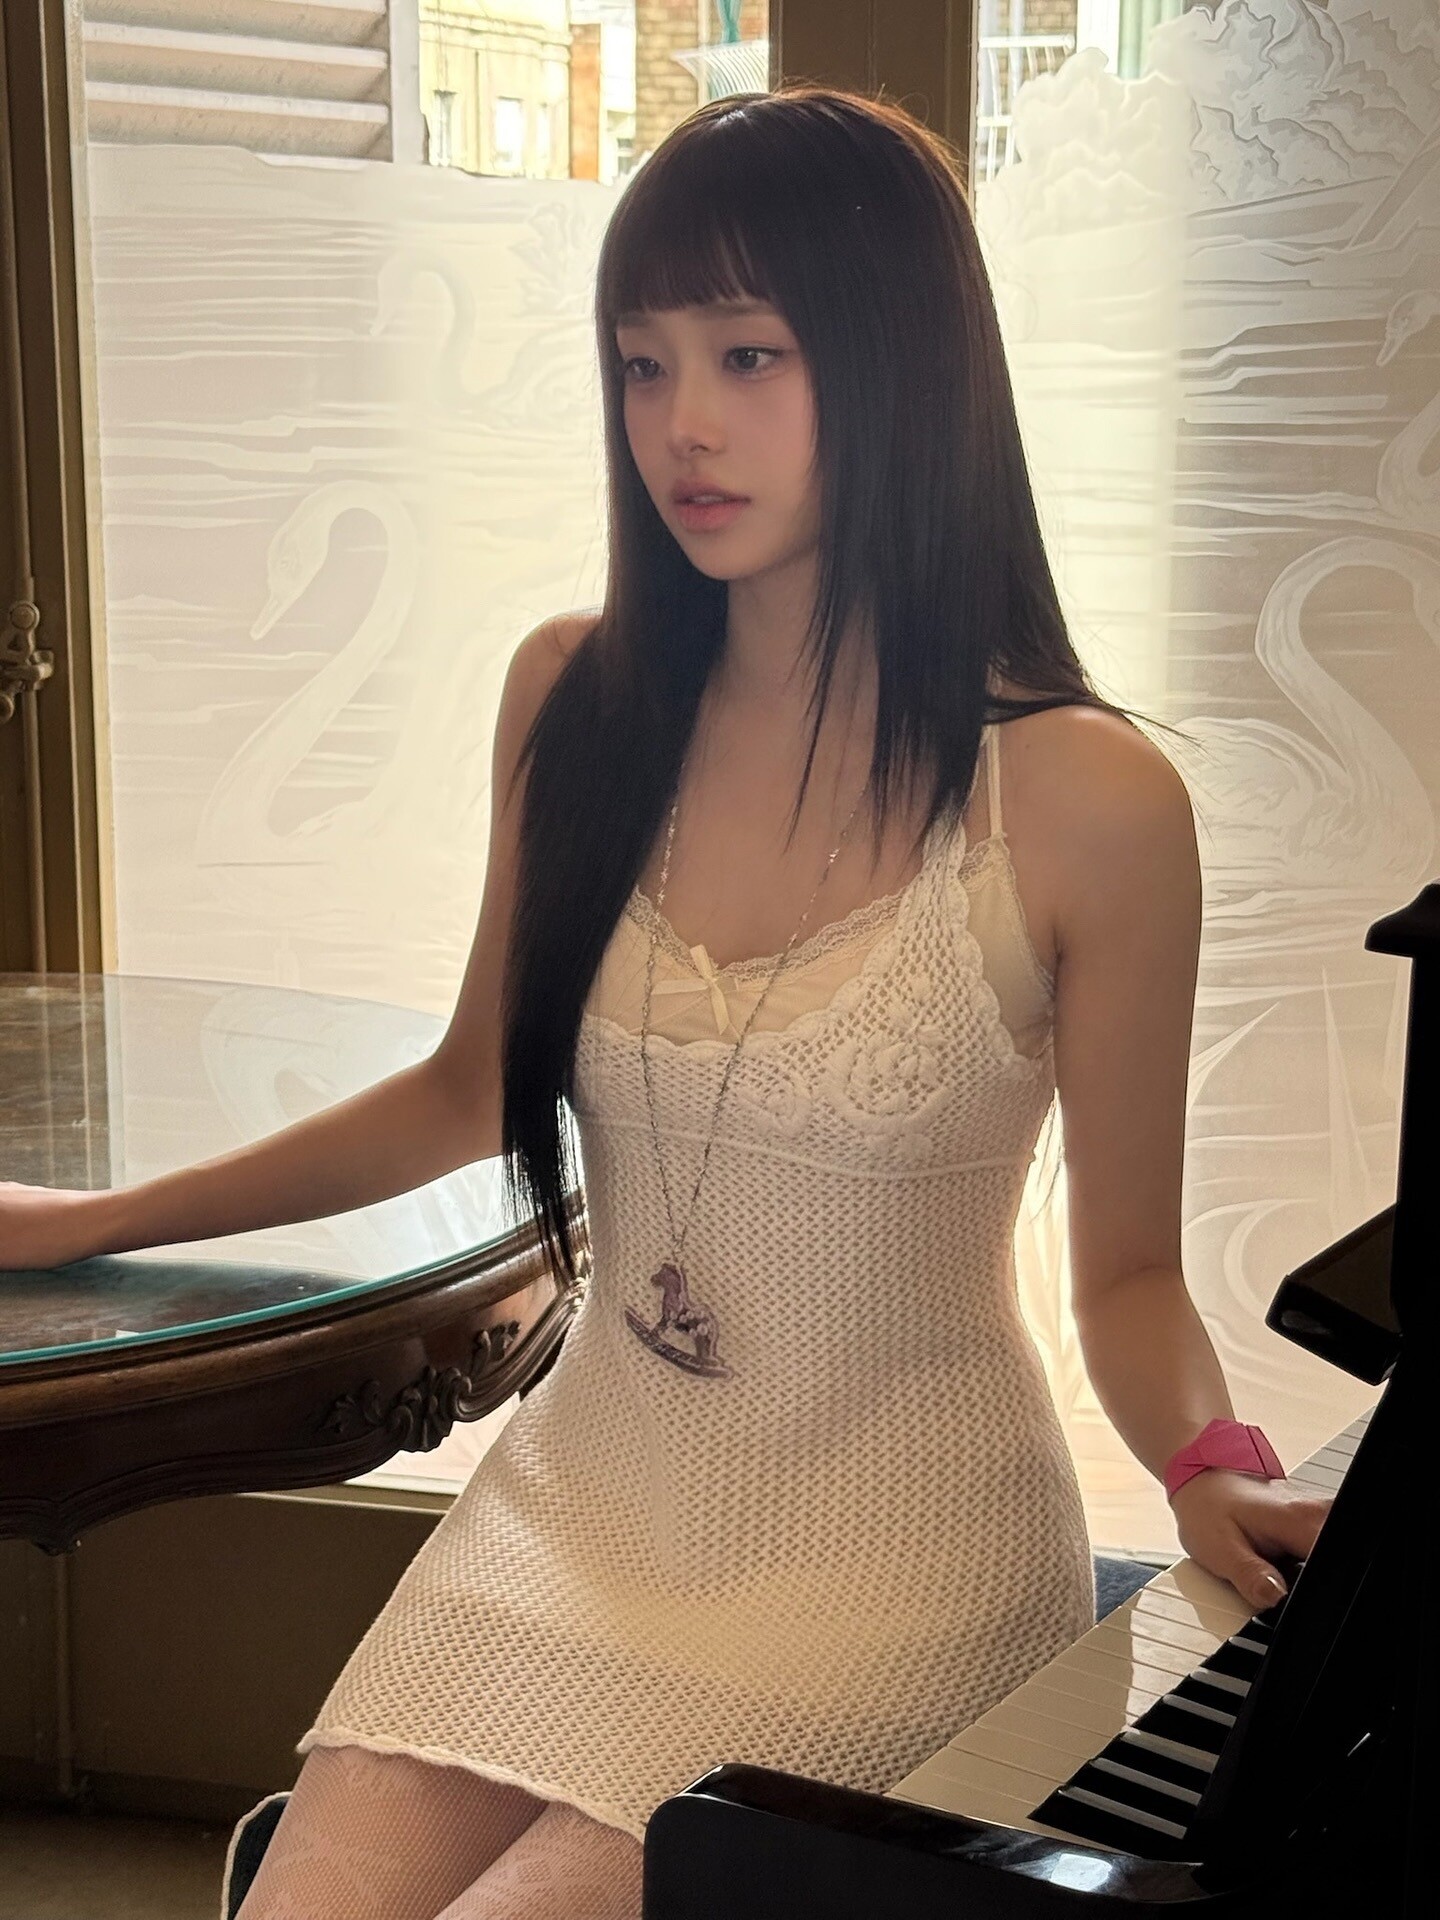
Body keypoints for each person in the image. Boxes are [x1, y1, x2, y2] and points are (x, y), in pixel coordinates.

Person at [0, 86, 1329, 1920]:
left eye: (748, 355)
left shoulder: (1088, 801)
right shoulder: (575, 701)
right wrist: (90, 1222)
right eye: (642, 363)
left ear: (902, 368)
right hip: (587, 1508)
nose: (681, 425)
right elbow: (467, 1084)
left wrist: (1212, 1469)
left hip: (896, 1559)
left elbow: (1128, 1281)